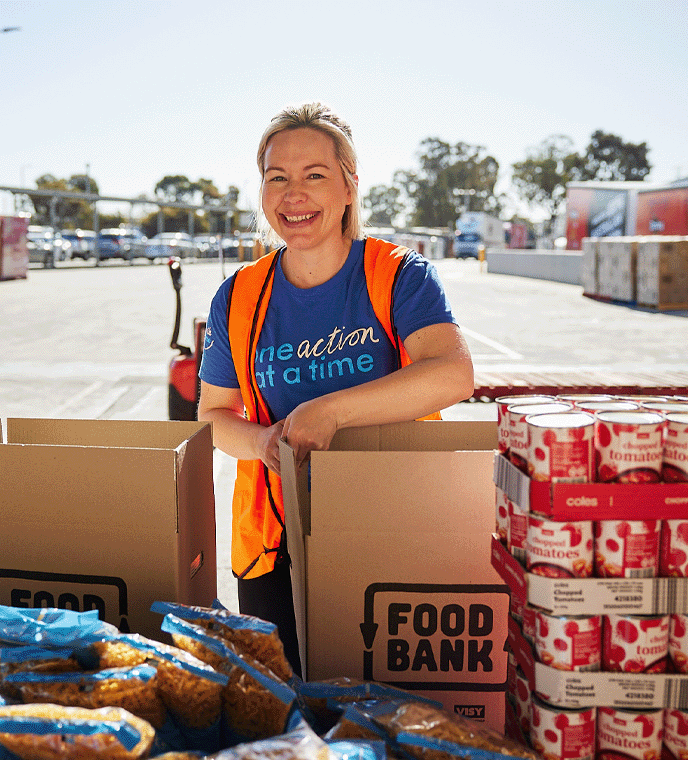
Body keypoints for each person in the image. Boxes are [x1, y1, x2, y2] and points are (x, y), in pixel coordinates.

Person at [197, 102, 475, 675]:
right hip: (277, 541)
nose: (293, 194)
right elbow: (215, 416)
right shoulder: (238, 296)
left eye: (314, 175)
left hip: (395, 525)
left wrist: (329, 412)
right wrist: (264, 442)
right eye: (278, 178)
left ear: (349, 186)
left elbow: (452, 373)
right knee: (289, 715)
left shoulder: (399, 275)